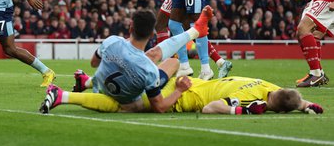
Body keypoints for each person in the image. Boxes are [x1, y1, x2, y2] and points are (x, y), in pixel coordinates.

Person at [39, 6, 212, 114]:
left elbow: (93, 63)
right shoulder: (149, 71)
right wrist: (179, 90)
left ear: (130, 27)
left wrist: (118, 60)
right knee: (131, 105)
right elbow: (159, 107)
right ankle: (64, 95)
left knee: (172, 61)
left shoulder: (112, 41)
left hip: (101, 81)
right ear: (152, 35)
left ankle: (86, 82)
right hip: (119, 98)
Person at [43, 73, 323, 115]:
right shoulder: (252, 100)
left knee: (136, 78)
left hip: (189, 81)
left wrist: (306, 104)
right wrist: (243, 110)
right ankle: (63, 96)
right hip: (185, 96)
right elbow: (210, 108)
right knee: (126, 105)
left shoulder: (268, 86)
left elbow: (287, 96)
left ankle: (89, 80)